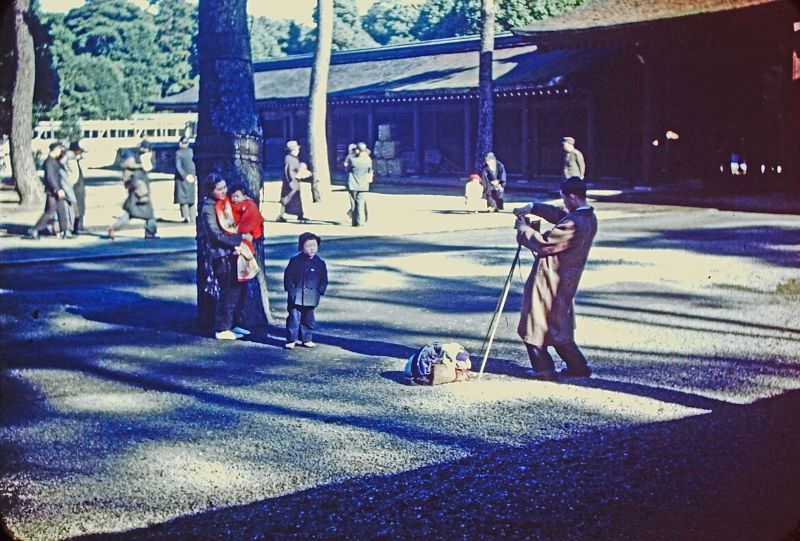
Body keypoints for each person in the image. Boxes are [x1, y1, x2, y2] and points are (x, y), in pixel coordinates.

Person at [512, 177, 597, 380]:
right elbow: (561, 217)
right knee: (558, 325)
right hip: (565, 279)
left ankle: (544, 369)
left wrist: (523, 229)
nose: (563, 203)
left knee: (532, 324)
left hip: (550, 278)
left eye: (564, 198)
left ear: (573, 197)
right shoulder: (587, 218)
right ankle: (578, 367)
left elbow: (544, 245)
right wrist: (533, 207)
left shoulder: (574, 223)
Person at [200, 174, 254, 340]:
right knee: (228, 291)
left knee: (239, 290)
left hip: (233, 252)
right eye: (219, 189)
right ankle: (222, 327)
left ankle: (234, 323)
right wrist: (240, 238)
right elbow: (216, 235)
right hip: (221, 254)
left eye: (224, 187)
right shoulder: (208, 208)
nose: (224, 191)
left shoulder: (224, 203)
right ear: (211, 190)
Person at [283, 232, 328, 349]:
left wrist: (320, 290)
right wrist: (290, 289)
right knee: (293, 318)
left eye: (314, 246)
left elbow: (324, 279)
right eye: (308, 246)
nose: (312, 249)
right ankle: (291, 339)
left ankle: (306, 338)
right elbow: (288, 276)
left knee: (308, 319)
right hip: (296, 295)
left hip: (312, 296)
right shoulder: (295, 261)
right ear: (301, 247)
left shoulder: (320, 263)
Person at [107, 153, 158, 240]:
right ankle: (150, 233)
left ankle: (113, 228)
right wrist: (144, 195)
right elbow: (139, 184)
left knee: (129, 215)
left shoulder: (134, 170)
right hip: (140, 197)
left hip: (134, 197)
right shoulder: (138, 172)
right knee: (150, 216)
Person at [27, 142, 72, 240]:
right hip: (52, 192)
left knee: (61, 210)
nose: (61, 151)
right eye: (60, 149)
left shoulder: (54, 161)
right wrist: (57, 189)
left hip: (56, 190)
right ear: (54, 149)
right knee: (49, 211)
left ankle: (65, 230)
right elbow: (50, 177)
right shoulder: (49, 162)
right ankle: (34, 229)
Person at [229, 184, 264, 282]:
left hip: (245, 233)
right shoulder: (229, 205)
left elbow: (250, 220)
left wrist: (240, 231)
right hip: (235, 233)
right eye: (233, 196)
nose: (234, 199)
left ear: (244, 197)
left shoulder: (249, 205)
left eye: (237, 196)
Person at [277, 140, 307, 223]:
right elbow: (288, 171)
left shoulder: (294, 158)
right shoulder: (289, 158)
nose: (298, 150)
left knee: (296, 199)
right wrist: (291, 181)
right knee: (286, 198)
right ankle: (280, 215)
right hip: (290, 182)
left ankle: (300, 214)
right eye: (297, 148)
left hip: (295, 181)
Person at [346, 142, 373, 227]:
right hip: (364, 184)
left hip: (352, 183)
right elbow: (369, 170)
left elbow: (347, 168)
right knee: (360, 203)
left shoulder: (352, 160)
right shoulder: (368, 160)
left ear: (358, 150)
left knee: (353, 204)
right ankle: (361, 221)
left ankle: (355, 222)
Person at [174, 136, 197, 223]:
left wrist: (184, 175)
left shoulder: (178, 153)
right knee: (191, 199)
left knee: (183, 199)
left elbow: (178, 166)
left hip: (182, 178)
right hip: (192, 176)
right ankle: (193, 217)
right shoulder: (192, 152)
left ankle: (186, 217)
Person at [65, 141, 87, 235]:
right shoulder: (71, 160)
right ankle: (76, 226)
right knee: (76, 207)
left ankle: (79, 225)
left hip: (78, 186)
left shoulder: (76, 160)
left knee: (80, 206)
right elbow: (74, 176)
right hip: (75, 186)